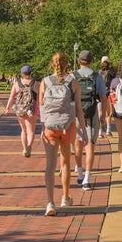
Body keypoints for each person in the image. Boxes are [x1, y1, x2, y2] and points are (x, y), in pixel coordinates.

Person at [39, 52, 88, 216]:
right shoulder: (73, 82)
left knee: (50, 164)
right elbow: (79, 110)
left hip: (50, 127)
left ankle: (50, 202)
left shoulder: (44, 82)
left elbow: (42, 108)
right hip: (68, 126)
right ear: (67, 64)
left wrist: (43, 127)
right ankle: (65, 197)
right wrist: (84, 131)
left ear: (52, 64)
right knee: (65, 162)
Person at [71, 51, 107, 191]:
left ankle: (79, 174)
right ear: (92, 61)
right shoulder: (97, 77)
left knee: (78, 144)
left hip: (76, 114)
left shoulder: (73, 76)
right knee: (90, 145)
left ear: (79, 61)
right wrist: (102, 114)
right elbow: (103, 98)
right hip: (92, 115)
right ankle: (87, 179)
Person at [3, 65, 40, 158]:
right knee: (31, 131)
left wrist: (8, 107)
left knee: (23, 130)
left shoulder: (17, 83)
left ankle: (24, 149)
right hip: (31, 110)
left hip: (20, 110)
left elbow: (12, 97)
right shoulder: (35, 83)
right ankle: (29, 147)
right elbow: (39, 98)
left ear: (22, 73)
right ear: (31, 72)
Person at [98, 56, 115, 138]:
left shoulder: (98, 72)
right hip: (108, 94)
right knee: (108, 113)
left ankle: (100, 132)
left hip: (100, 95)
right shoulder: (111, 73)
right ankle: (108, 130)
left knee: (100, 113)